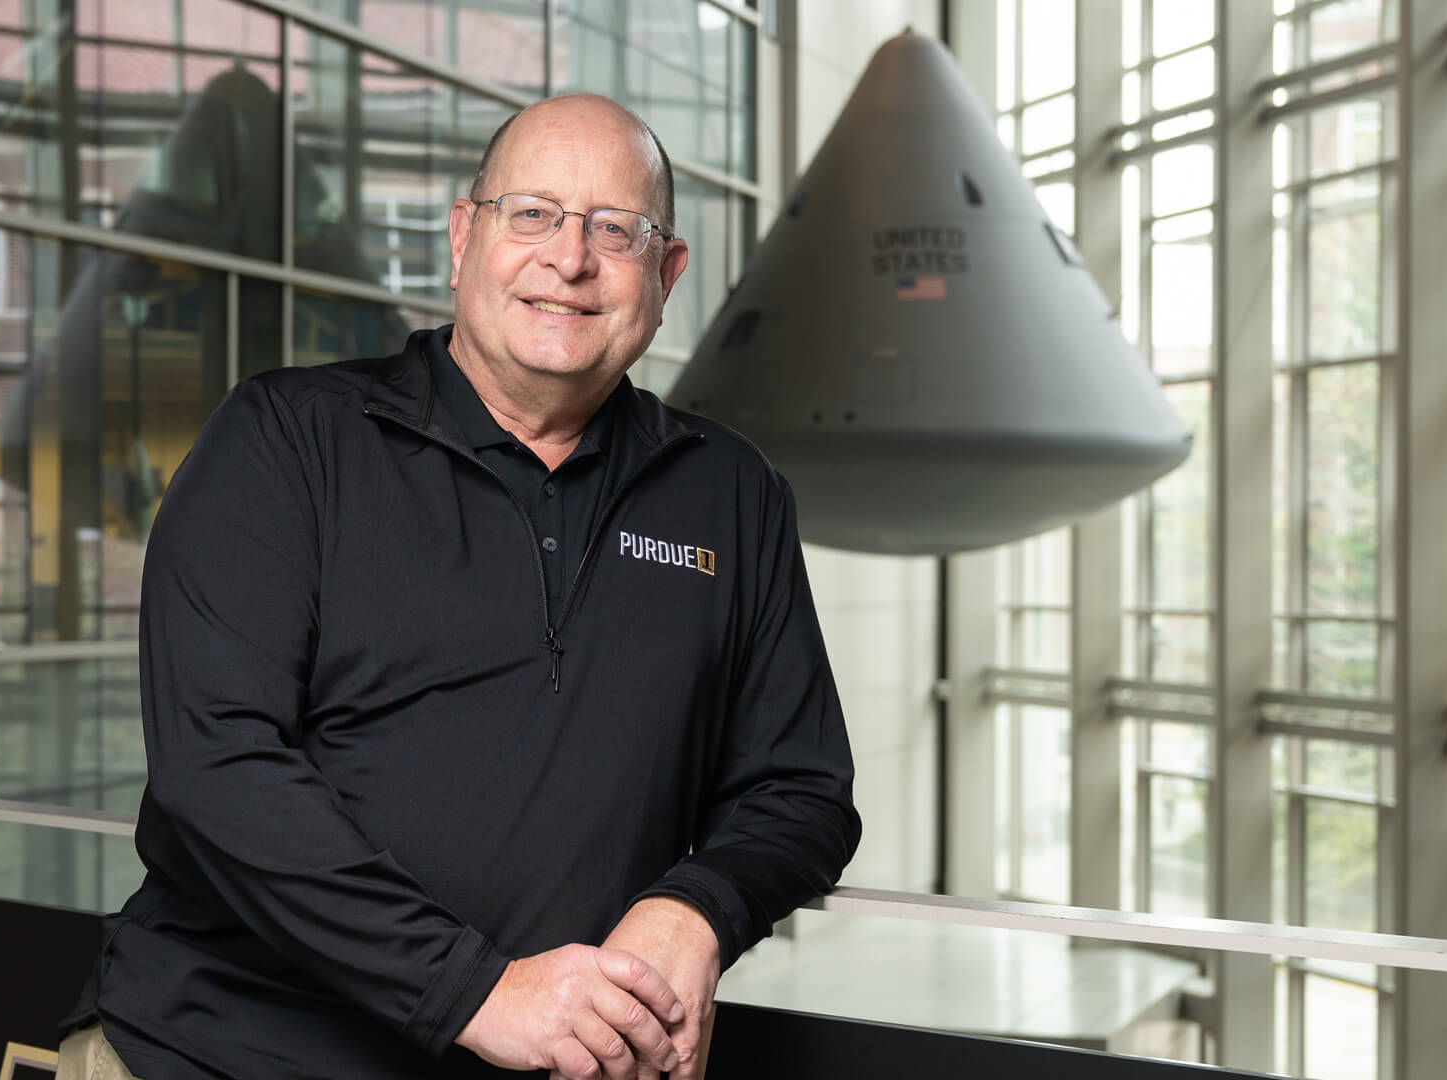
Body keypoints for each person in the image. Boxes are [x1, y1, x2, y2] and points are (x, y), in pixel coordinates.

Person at [57, 93, 860, 1080]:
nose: (569, 259)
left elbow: (802, 789)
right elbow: (218, 767)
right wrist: (473, 988)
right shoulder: (287, 441)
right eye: (530, 213)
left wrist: (696, 908)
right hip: (217, 1055)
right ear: (462, 235)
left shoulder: (731, 498)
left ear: (666, 273)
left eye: (617, 230)